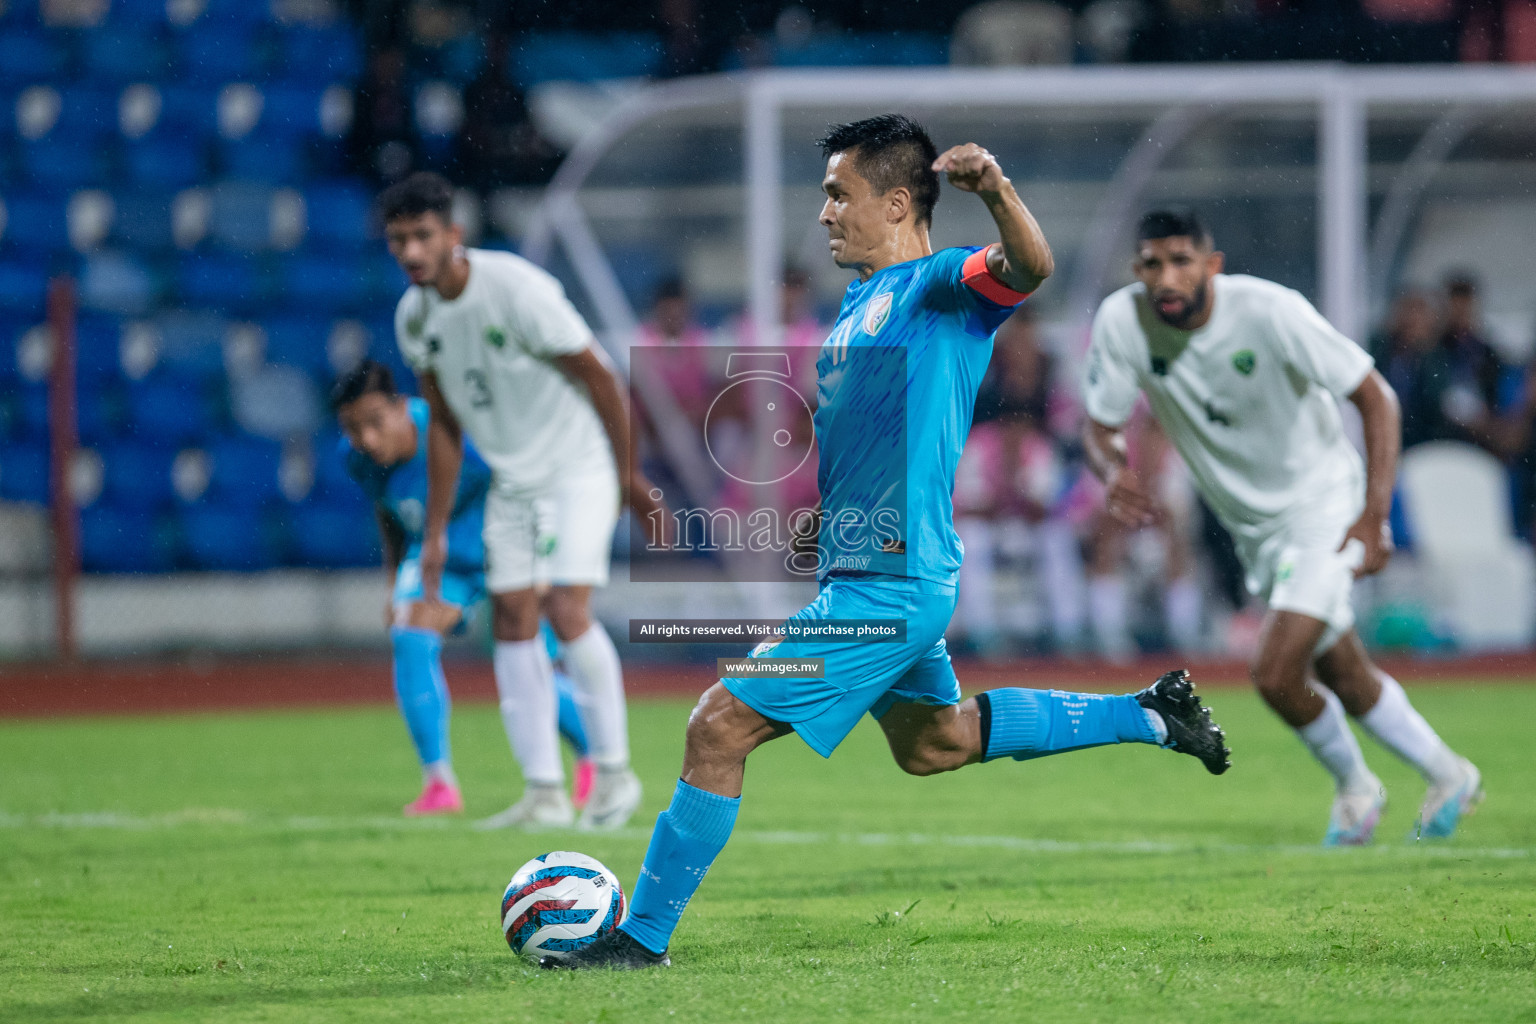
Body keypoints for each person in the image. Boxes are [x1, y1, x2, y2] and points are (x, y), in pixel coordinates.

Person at [547, 114, 1229, 971]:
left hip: (889, 589)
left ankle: (639, 941)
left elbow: (1030, 267)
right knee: (933, 743)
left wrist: (997, 191)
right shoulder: (859, 304)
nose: (826, 213)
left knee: (717, 727)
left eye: (840, 195)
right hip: (875, 572)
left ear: (898, 202)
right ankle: (1151, 715)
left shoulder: (942, 287)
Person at [1082, 207, 1483, 846]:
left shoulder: (1271, 312)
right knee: (1345, 675)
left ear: (1212, 266)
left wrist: (1374, 516)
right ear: (1138, 270)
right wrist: (1111, 470)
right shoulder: (1120, 322)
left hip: (1322, 505)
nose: (1167, 276)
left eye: (1182, 260)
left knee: (1273, 671)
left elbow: (1375, 395)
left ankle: (1356, 788)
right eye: (1153, 263)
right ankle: (1449, 773)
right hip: (1255, 530)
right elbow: (1100, 426)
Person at [380, 171, 657, 831]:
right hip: (514, 481)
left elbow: (601, 376)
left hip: (578, 466)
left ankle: (615, 776)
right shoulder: (414, 318)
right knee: (510, 619)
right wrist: (438, 530)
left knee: (564, 607)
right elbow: (442, 424)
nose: (412, 252)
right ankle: (544, 791)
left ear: (454, 234)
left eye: (422, 236)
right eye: (398, 241)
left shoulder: (517, 289)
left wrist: (624, 476)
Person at [331, 361, 595, 815]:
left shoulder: (459, 435)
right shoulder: (356, 458)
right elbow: (387, 511)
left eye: (375, 423)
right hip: (440, 562)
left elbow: (531, 484)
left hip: (506, 554)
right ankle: (439, 784)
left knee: (531, 669)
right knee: (410, 637)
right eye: (354, 430)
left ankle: (594, 759)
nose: (367, 440)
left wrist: (545, 563)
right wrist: (394, 577)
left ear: (401, 407)